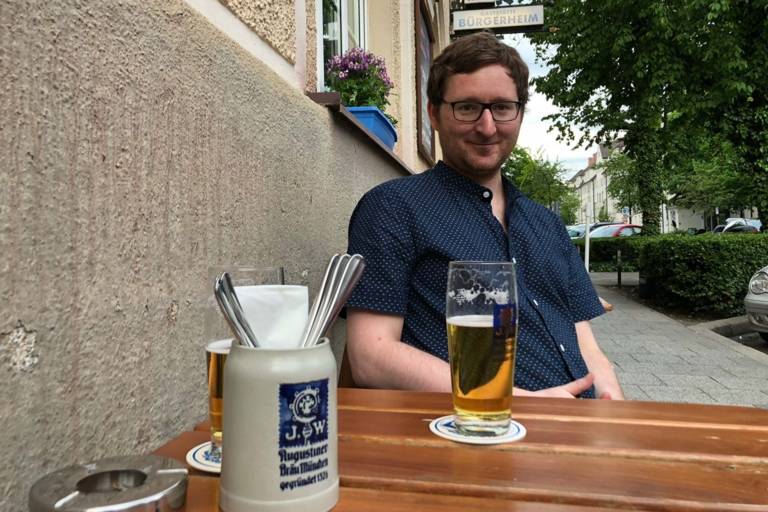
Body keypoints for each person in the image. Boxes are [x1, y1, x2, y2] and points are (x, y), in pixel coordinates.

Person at [345, 32, 623, 399]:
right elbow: (371, 356)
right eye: (467, 107)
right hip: (477, 435)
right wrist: (516, 402)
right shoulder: (394, 209)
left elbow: (583, 339)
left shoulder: (548, 224)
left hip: (579, 430)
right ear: (434, 113)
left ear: (520, 112)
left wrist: (616, 411)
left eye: (503, 108)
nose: (487, 127)